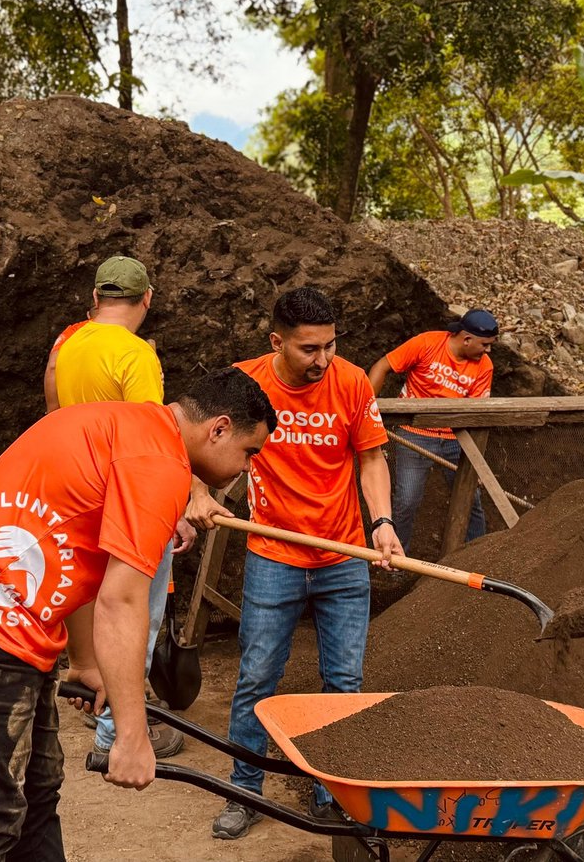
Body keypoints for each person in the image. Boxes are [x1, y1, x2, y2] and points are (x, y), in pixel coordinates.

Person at [0, 368, 275, 861]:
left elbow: (71, 552)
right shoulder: (159, 464)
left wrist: (86, 660)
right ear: (218, 428)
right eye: (249, 452)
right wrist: (132, 735)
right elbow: (123, 599)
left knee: (35, 795)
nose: (247, 468)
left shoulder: (121, 426)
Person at [199, 286, 403, 840]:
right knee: (258, 676)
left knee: (344, 681)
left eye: (330, 346)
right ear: (276, 341)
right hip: (273, 556)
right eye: (309, 349)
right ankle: (244, 789)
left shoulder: (353, 382)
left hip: (344, 557)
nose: (323, 360)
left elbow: (372, 458)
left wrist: (382, 522)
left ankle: (330, 795)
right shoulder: (244, 385)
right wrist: (195, 493)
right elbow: (198, 445)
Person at [47, 255, 198, 760]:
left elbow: (55, 412)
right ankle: (116, 732)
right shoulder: (136, 356)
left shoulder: (69, 344)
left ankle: (95, 692)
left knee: (95, 602)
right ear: (146, 299)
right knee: (137, 614)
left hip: (81, 491)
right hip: (127, 501)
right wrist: (173, 509)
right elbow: (148, 441)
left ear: (96, 298)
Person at [368, 309, 498, 553]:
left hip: (456, 438)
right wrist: (366, 409)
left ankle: (478, 555)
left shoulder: (484, 367)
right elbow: (382, 366)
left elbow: (478, 411)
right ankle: (395, 557)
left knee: (471, 499)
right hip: (414, 433)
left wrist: (475, 460)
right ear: (466, 339)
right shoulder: (427, 343)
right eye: (485, 344)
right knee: (407, 499)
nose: (488, 351)